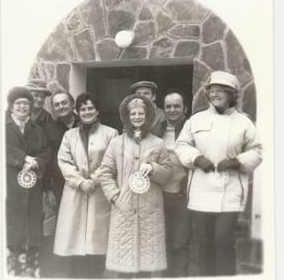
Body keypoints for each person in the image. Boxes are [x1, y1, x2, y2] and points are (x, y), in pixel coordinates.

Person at [175, 71, 263, 276]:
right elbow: (181, 145)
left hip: (230, 192)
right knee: (204, 243)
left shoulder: (244, 122)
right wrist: (197, 158)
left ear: (231, 94)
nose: (215, 95)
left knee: (223, 241)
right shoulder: (196, 120)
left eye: (221, 91)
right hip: (201, 191)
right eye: (212, 91)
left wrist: (236, 161)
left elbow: (258, 151)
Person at [100, 94, 172, 277]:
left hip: (150, 209)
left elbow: (167, 173)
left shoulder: (158, 143)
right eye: (133, 113)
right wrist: (115, 196)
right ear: (127, 116)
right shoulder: (116, 143)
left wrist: (153, 168)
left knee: (147, 267)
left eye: (141, 113)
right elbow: (105, 171)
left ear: (147, 116)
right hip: (124, 208)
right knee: (125, 264)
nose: (137, 117)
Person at [53, 92, 118, 278]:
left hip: (99, 194)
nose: (87, 112)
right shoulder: (69, 135)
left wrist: (94, 180)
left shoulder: (111, 133)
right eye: (83, 109)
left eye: (91, 108)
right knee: (74, 242)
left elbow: (111, 161)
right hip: (75, 192)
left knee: (96, 243)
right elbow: (63, 161)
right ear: (78, 111)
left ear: (98, 110)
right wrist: (81, 182)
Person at [5, 87, 50, 277]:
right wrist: (23, 158)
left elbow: (46, 153)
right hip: (10, 187)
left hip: (32, 187)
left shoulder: (37, 130)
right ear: (11, 106)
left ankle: (31, 270)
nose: (23, 106)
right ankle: (13, 269)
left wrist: (36, 162)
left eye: (26, 103)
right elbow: (1, 148)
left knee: (32, 228)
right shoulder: (2, 128)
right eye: (19, 103)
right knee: (13, 226)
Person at [40, 90, 79, 278]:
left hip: (83, 184)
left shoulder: (85, 123)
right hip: (59, 185)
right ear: (53, 108)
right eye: (57, 105)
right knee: (61, 228)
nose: (61, 107)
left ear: (72, 104)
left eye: (64, 103)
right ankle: (64, 272)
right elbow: (46, 161)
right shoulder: (49, 129)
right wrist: (48, 189)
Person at [154, 89, 191, 277]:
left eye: (177, 106)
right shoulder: (157, 129)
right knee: (161, 243)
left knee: (179, 242)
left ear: (185, 108)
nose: (172, 110)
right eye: (168, 106)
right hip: (158, 195)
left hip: (181, 195)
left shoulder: (191, 130)